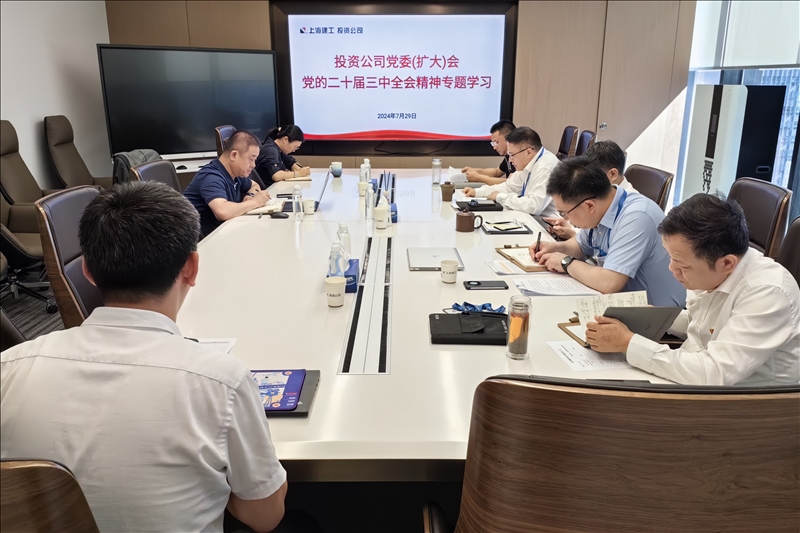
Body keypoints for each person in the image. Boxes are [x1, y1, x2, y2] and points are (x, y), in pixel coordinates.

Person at [0, 182, 287, 532]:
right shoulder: (222, 382)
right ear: (191, 268)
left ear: (87, 270)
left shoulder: (8, 369)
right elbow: (264, 517)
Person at [586, 194, 800, 386]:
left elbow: (714, 374)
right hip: (696, 377)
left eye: (682, 265)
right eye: (670, 257)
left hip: (746, 405)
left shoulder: (768, 292)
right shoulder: (712, 271)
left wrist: (628, 343)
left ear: (727, 263)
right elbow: (704, 325)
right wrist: (657, 318)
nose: (672, 269)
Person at [531, 156, 686, 307]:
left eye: (565, 213)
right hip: (621, 301)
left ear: (589, 205)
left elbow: (609, 282)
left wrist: (566, 263)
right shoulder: (602, 206)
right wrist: (555, 248)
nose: (565, 218)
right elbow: (581, 247)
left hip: (657, 314)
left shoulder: (637, 217)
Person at [183, 130, 270, 236]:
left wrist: (250, 195)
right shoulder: (212, 177)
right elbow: (222, 211)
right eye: (251, 159)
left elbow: (254, 185)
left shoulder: (235, 173)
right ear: (234, 155)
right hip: (204, 240)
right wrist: (255, 202)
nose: (254, 165)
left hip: (223, 232)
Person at [546, 140, 636, 240]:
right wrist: (570, 221)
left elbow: (604, 244)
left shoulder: (630, 212)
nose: (587, 180)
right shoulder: (603, 196)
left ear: (612, 174)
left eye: (595, 175)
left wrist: (573, 235)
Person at [463, 127, 559, 217]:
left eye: (512, 155)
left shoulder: (545, 167)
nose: (510, 160)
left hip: (547, 224)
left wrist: (500, 197)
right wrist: (477, 192)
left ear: (528, 152)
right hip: (531, 218)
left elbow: (534, 206)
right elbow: (509, 187)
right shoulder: (527, 163)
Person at [461, 120, 516, 185]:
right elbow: (496, 172)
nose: (494, 147)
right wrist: (475, 171)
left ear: (508, 138)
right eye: (493, 143)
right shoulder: (508, 155)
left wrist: (479, 178)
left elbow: (510, 182)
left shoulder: (518, 156)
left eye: (496, 142)